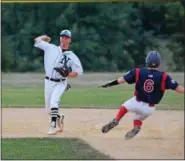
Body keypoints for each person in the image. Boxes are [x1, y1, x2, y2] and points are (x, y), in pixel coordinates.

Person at [99, 51, 184, 139]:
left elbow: (121, 80)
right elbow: (178, 89)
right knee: (138, 118)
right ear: (159, 62)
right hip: (149, 109)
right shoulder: (164, 77)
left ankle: (116, 120)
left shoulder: (138, 71)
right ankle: (136, 127)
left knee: (125, 106)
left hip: (136, 102)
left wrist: (108, 84)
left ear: (147, 61)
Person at [34, 30, 83, 135]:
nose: (63, 38)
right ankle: (59, 118)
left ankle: (53, 125)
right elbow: (37, 41)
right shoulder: (50, 47)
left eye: (66, 37)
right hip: (48, 82)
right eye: (62, 36)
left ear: (69, 40)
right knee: (48, 110)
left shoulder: (71, 56)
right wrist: (44, 37)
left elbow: (78, 72)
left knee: (54, 102)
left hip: (61, 82)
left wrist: (67, 75)